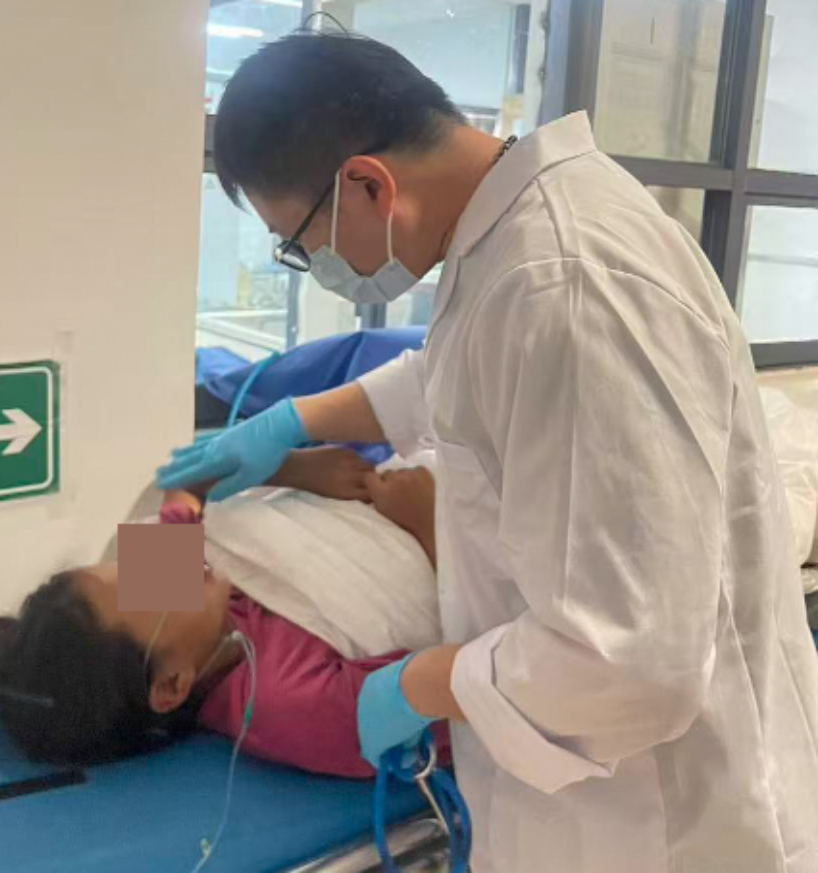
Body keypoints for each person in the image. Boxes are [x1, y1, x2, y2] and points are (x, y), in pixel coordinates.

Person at [157, 29, 818, 873]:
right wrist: (295, 434)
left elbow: (631, 658)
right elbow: (454, 375)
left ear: (368, 184)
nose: (313, 265)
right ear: (169, 690)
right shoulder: (265, 691)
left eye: (301, 244)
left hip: (660, 818)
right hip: (585, 755)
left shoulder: (566, 280)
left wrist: (245, 481)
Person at [0, 447, 445, 777]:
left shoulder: (174, 592)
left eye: (127, 568)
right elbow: (476, 675)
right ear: (172, 684)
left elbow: (191, 480)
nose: (169, 564)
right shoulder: (296, 703)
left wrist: (294, 466)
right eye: (150, 589)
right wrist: (432, 525)